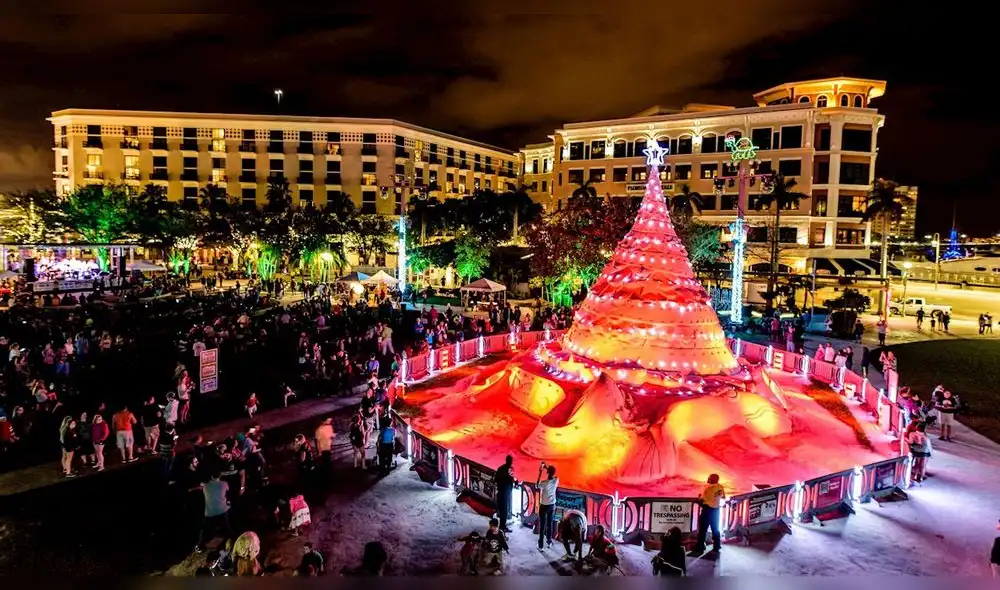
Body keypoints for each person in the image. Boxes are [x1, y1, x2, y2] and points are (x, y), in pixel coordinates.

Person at [196, 471, 232, 553]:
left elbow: (201, 485)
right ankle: (231, 538)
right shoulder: (224, 483)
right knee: (227, 525)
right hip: (222, 510)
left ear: (211, 477)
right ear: (220, 476)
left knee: (205, 529)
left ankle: (200, 545)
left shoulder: (205, 485)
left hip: (210, 512)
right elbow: (227, 491)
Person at [694, 473, 726, 556]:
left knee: (703, 530)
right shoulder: (720, 487)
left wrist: (699, 498)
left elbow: (701, 500)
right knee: (715, 529)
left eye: (710, 478)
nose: (708, 479)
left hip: (707, 510)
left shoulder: (708, 489)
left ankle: (700, 547)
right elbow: (723, 497)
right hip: (716, 510)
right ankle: (717, 546)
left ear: (713, 479)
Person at [536, 463, 558, 550]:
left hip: (544, 506)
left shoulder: (544, 483)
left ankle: (540, 545)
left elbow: (536, 485)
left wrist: (540, 472)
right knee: (549, 524)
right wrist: (547, 468)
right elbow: (553, 474)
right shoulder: (556, 480)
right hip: (552, 506)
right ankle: (549, 542)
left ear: (547, 472)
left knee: (542, 526)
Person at [495, 455, 515, 532]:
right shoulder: (510, 469)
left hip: (500, 492)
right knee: (505, 511)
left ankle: (502, 526)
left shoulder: (500, 468)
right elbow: (511, 479)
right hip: (506, 493)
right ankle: (502, 527)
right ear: (510, 461)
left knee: (502, 510)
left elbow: (495, 479)